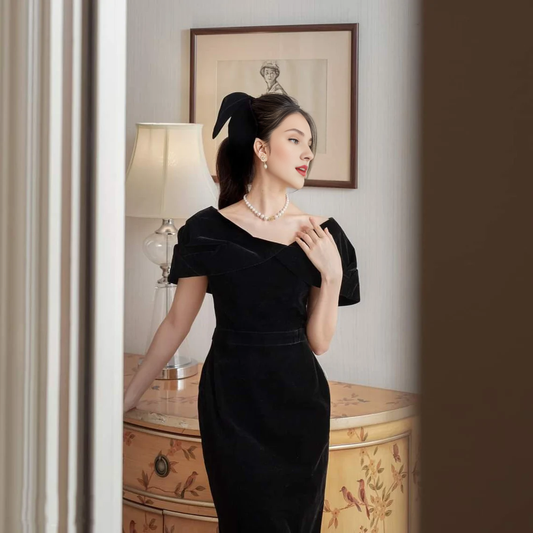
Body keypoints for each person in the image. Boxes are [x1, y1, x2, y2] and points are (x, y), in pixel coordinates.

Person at [123, 91, 361, 532]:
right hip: (231, 402)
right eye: (295, 139)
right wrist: (130, 395)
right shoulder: (207, 230)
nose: (308, 153)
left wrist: (331, 276)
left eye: (310, 143)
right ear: (261, 149)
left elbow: (319, 342)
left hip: (299, 407)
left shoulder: (322, 236)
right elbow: (176, 322)